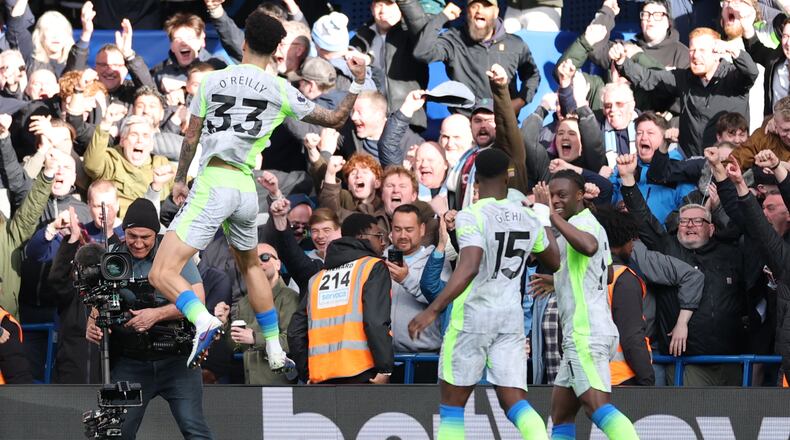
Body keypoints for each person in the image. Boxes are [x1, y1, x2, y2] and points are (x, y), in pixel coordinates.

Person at [148, 9, 370, 369]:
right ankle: (273, 346)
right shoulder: (281, 88)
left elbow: (191, 137)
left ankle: (202, 319)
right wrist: (358, 81)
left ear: (245, 42)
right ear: (277, 50)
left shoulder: (211, 81)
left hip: (215, 181)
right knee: (251, 266)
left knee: (162, 272)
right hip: (247, 189)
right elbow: (335, 119)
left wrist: (178, 179)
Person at [409, 148, 560, 439]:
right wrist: (543, 214)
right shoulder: (528, 217)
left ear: (475, 179)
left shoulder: (471, 215)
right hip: (510, 319)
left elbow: (469, 266)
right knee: (515, 402)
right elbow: (554, 260)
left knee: (453, 405)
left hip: (472, 319)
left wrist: (434, 309)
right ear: (508, 177)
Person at [84, 198, 213, 439]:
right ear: (124, 232)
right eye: (132, 236)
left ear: (156, 234)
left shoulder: (173, 253)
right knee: (115, 431)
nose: (138, 243)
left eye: (146, 237)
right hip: (130, 362)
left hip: (177, 360)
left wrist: (156, 315)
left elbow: (199, 300)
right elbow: (97, 299)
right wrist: (92, 322)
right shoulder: (113, 257)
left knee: (194, 427)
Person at [537, 169, 639, 439]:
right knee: (561, 413)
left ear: (580, 195)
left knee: (597, 408)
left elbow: (590, 247)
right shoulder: (588, 223)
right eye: (552, 196)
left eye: (562, 195)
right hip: (590, 332)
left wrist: (550, 216)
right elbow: (604, 274)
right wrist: (560, 280)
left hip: (585, 334)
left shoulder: (583, 225)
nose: (556, 200)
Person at [288, 212, 392, 384]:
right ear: (361, 237)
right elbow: (375, 321)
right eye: (378, 235)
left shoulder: (317, 278)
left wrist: (307, 373)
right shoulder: (372, 267)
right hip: (363, 372)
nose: (383, 242)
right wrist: (385, 368)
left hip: (321, 375)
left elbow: (295, 331)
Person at [214, 243, 299, 385]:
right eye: (252, 259)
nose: (258, 262)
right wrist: (225, 324)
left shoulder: (290, 297)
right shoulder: (243, 302)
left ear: (278, 264)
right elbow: (235, 346)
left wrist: (254, 338)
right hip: (251, 385)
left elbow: (293, 342)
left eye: (264, 257)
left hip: (280, 385)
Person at [594, 206, 655, 386]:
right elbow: (631, 337)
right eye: (630, 239)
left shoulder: (586, 273)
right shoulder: (624, 278)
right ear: (621, 240)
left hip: (589, 375)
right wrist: (647, 378)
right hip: (621, 378)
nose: (632, 245)